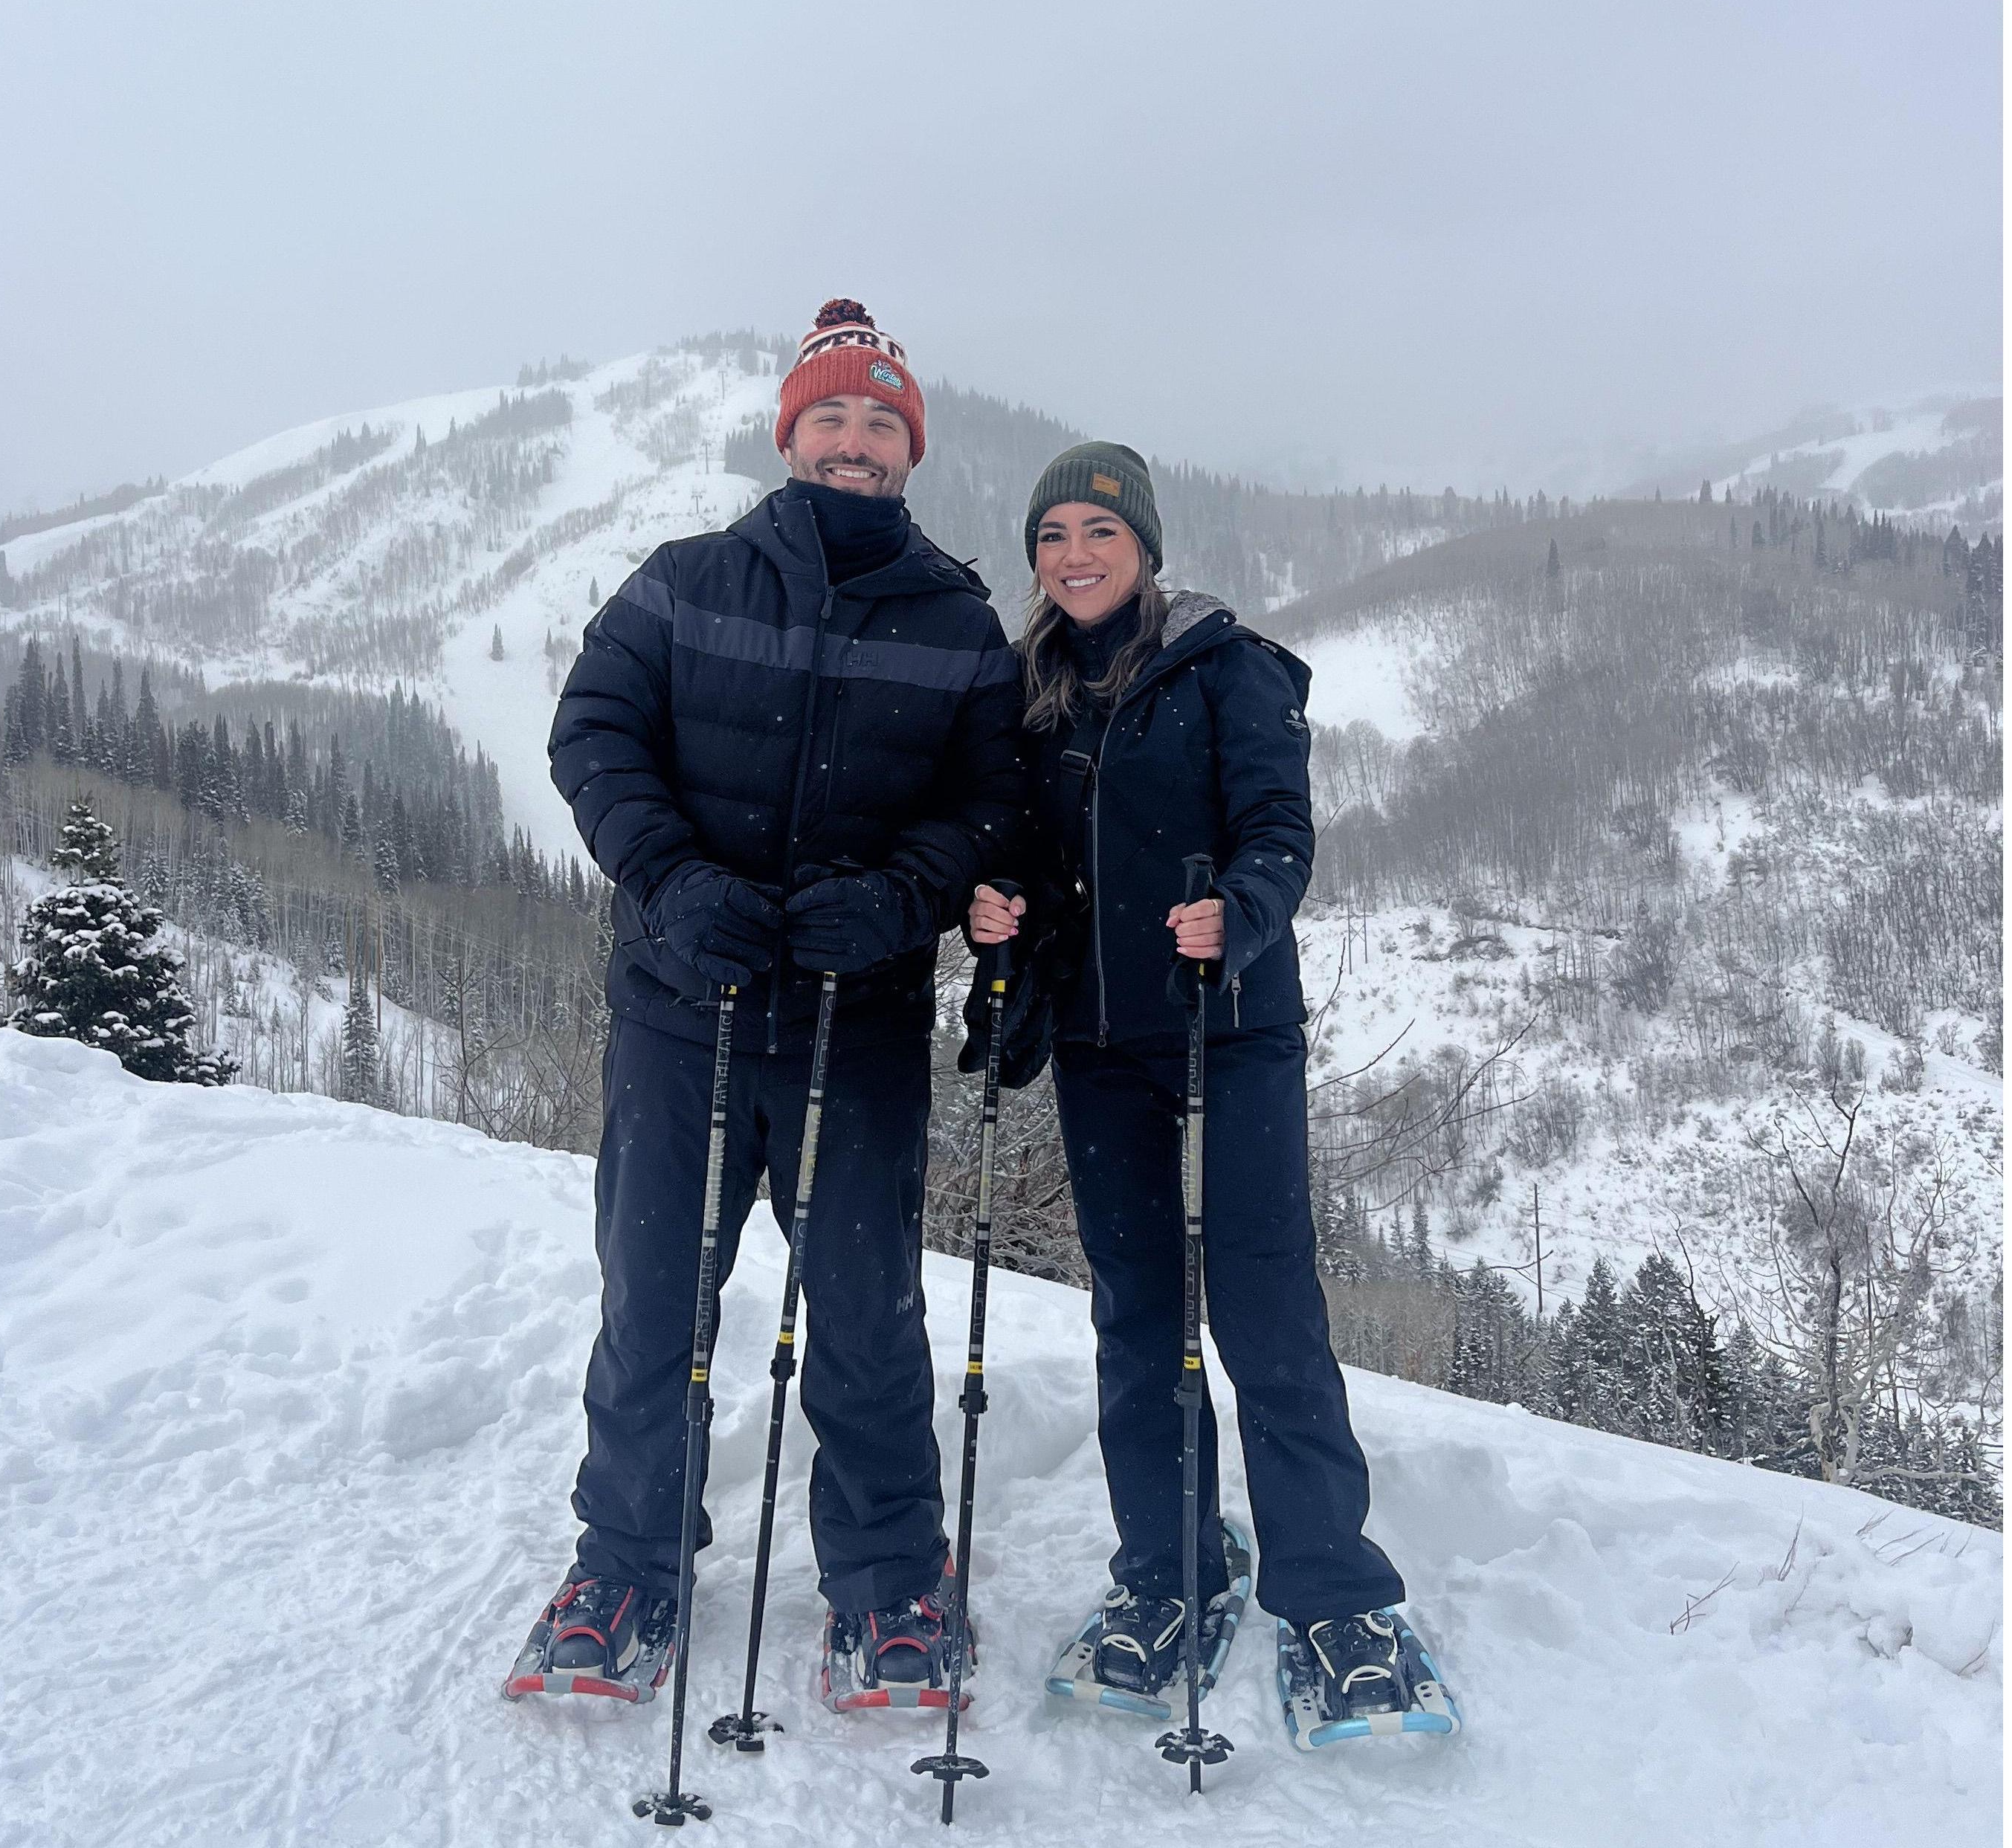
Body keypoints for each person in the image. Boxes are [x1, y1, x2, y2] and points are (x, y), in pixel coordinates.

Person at [509, 300, 1023, 1713]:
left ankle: (891, 1585)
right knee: (656, 1300)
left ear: (909, 452)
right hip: (686, 1013)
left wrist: (906, 896)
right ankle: (624, 1568)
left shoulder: (959, 620)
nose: (855, 444)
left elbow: (990, 801)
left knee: (863, 1310)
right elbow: (592, 734)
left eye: (881, 424)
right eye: (833, 418)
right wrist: (672, 879)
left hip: (853, 1033)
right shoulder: (686, 582)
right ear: (789, 432)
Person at [967, 440, 1442, 1736]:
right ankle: (1170, 1571)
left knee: (1266, 1309)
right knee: (1137, 1320)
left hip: (1228, 1035)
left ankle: (1337, 1597)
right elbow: (1012, 848)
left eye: (1099, 531)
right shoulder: (1028, 693)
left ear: (1146, 547)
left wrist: (1236, 913)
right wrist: (997, 911)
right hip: (1102, 1047)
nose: (1073, 553)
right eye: (1052, 532)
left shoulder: (1227, 670)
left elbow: (1282, 832)